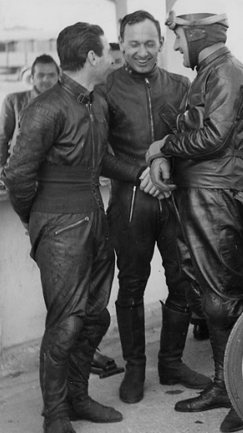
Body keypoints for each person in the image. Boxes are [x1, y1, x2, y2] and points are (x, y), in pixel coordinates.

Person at [1, 22, 122, 433]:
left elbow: (100, 160)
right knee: (66, 324)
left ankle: (78, 397)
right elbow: (18, 175)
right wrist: (36, 220)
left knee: (94, 317)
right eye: (107, 52)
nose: (112, 59)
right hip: (60, 225)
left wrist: (146, 170)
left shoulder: (97, 101)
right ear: (91, 57)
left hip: (95, 218)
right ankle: (54, 414)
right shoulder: (45, 108)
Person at [146, 1, 243, 431]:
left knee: (223, 298)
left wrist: (163, 147)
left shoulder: (225, 73)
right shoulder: (213, 73)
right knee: (213, 297)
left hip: (217, 194)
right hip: (207, 193)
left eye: (177, 36)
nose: (175, 47)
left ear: (195, 33)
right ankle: (225, 384)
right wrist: (166, 153)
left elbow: (213, 137)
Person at [95, 9, 210, 405]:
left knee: (182, 281)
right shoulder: (106, 89)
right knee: (131, 285)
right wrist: (142, 173)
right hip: (130, 202)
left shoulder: (181, 85)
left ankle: (171, 363)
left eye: (149, 43)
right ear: (121, 45)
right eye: (134, 45)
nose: (142, 52)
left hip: (175, 195)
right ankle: (135, 368)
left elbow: (196, 141)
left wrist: (166, 169)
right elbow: (98, 155)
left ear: (161, 44)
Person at [0, 54, 59, 167]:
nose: (46, 80)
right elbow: (2, 139)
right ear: (32, 78)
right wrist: (2, 169)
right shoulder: (13, 101)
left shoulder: (68, 104)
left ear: (58, 78)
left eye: (51, 75)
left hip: (55, 171)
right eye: (41, 75)